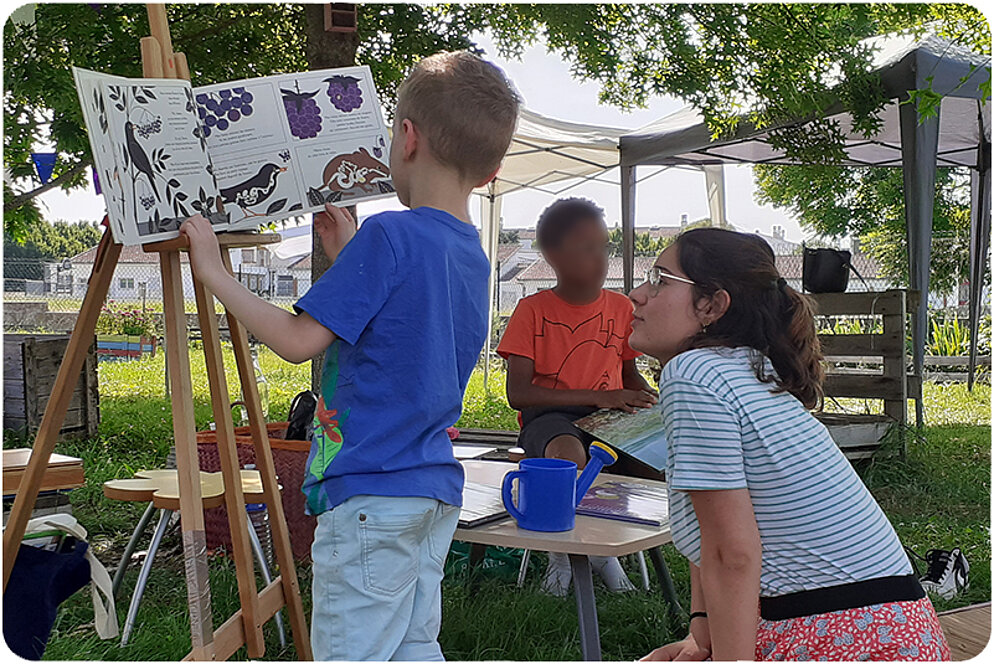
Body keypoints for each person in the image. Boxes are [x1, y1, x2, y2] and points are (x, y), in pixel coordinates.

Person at [180, 51, 521, 660]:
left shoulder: (391, 234)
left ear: (407, 138)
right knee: (415, 647)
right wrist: (348, 258)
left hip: (370, 493)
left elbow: (294, 342)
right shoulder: (470, 252)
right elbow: (405, 329)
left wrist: (213, 272)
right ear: (491, 171)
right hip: (430, 489)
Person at [630, 228, 948, 661]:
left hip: (844, 635)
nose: (635, 294)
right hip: (890, 630)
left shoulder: (694, 375)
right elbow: (714, 527)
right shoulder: (741, 367)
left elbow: (733, 553)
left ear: (712, 305)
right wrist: (701, 635)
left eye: (659, 280)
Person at [497, 197, 657, 596]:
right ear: (553, 256)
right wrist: (602, 397)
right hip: (549, 418)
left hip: (607, 417)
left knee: (657, 463)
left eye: (604, 247)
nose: (600, 259)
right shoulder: (531, 309)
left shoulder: (620, 308)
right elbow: (519, 394)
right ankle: (561, 554)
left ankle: (608, 547)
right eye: (587, 249)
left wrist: (652, 400)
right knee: (571, 458)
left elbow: (628, 376)